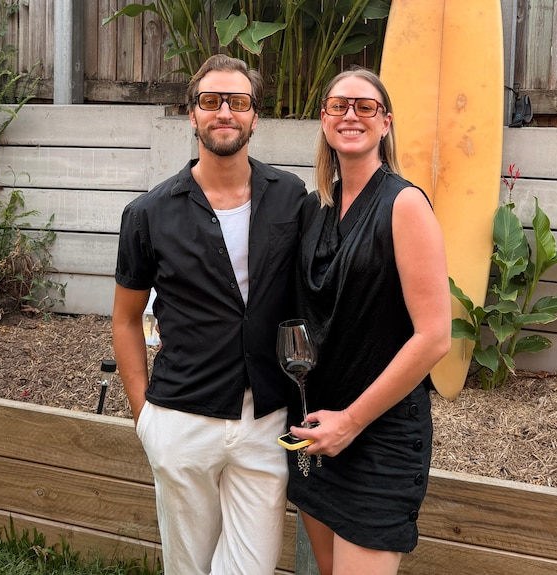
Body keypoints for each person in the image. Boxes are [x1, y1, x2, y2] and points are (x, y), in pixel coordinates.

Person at [112, 54, 307, 575]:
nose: (225, 111)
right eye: (211, 101)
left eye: (238, 102)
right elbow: (127, 319)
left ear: (254, 116)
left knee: (251, 568)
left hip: (265, 420)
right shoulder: (148, 214)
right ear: (191, 114)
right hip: (182, 418)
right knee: (188, 567)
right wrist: (144, 417)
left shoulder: (289, 196)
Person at [286, 68, 452, 575]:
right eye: (339, 106)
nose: (351, 116)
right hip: (319, 429)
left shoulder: (404, 204)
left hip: (378, 436)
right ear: (324, 120)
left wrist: (352, 422)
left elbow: (435, 336)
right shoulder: (317, 209)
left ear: (386, 123)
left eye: (365, 107)